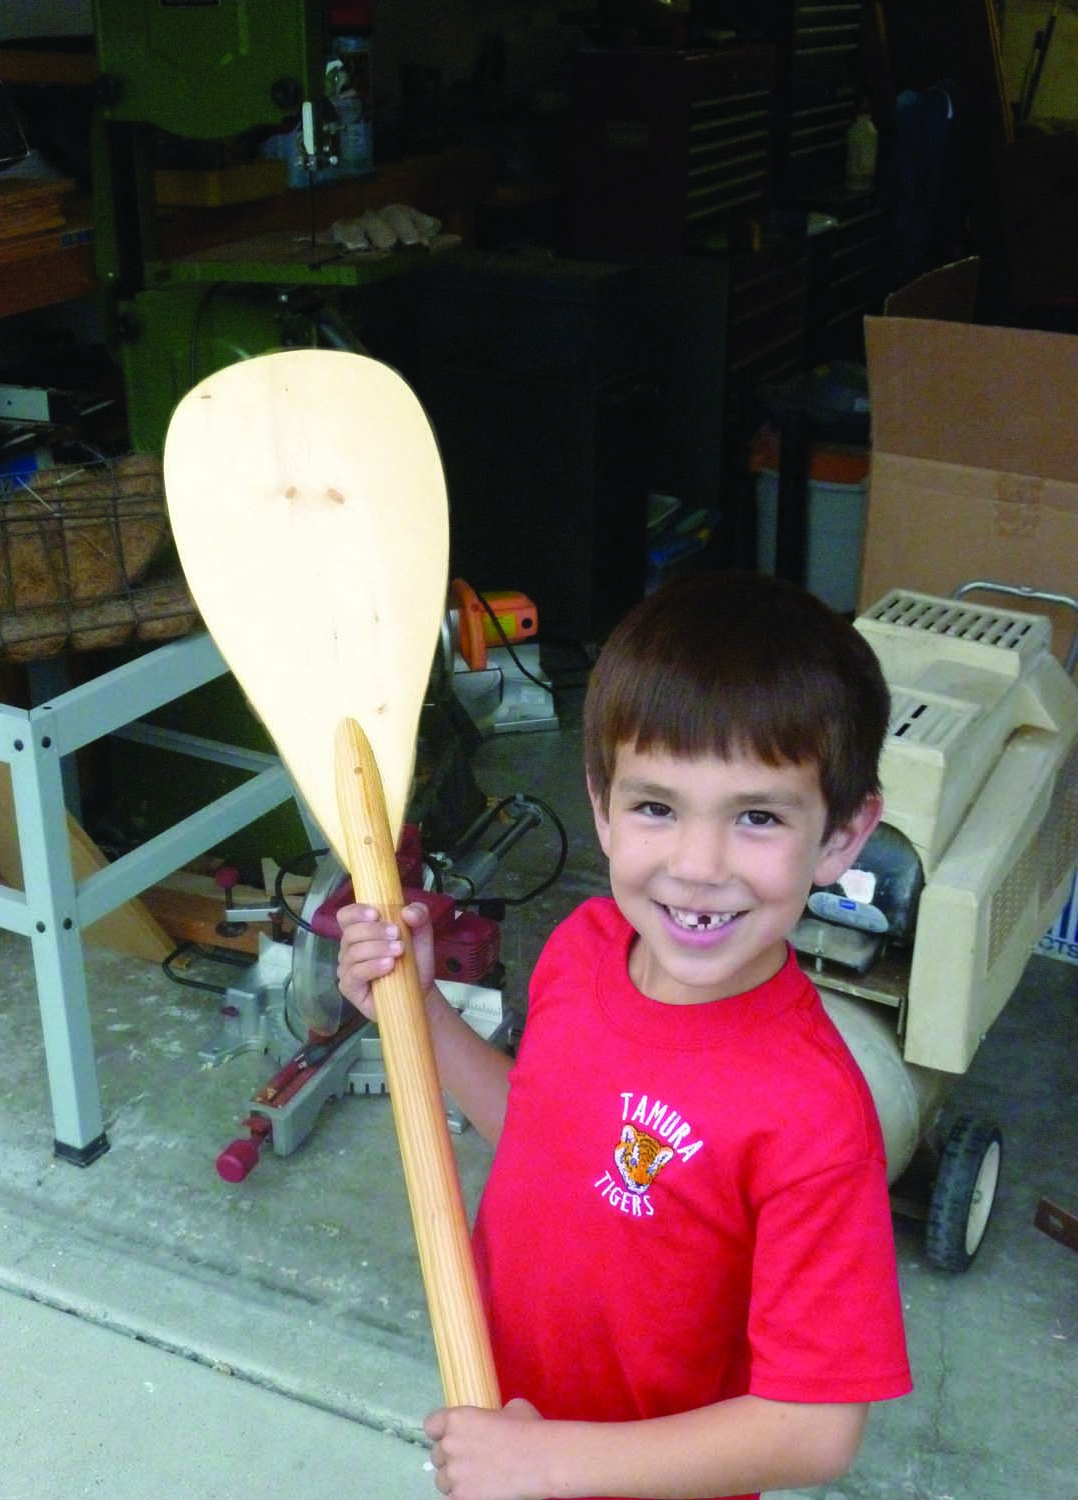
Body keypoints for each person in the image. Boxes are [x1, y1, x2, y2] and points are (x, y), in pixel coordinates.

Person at [337, 570, 912, 1500]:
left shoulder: (811, 1114)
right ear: (601, 805)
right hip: (507, 1427)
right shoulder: (585, 948)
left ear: (842, 837)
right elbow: (545, 1135)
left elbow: (813, 1430)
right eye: (656, 807)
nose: (697, 865)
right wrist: (418, 1012)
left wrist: (548, 1463)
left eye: (757, 817)